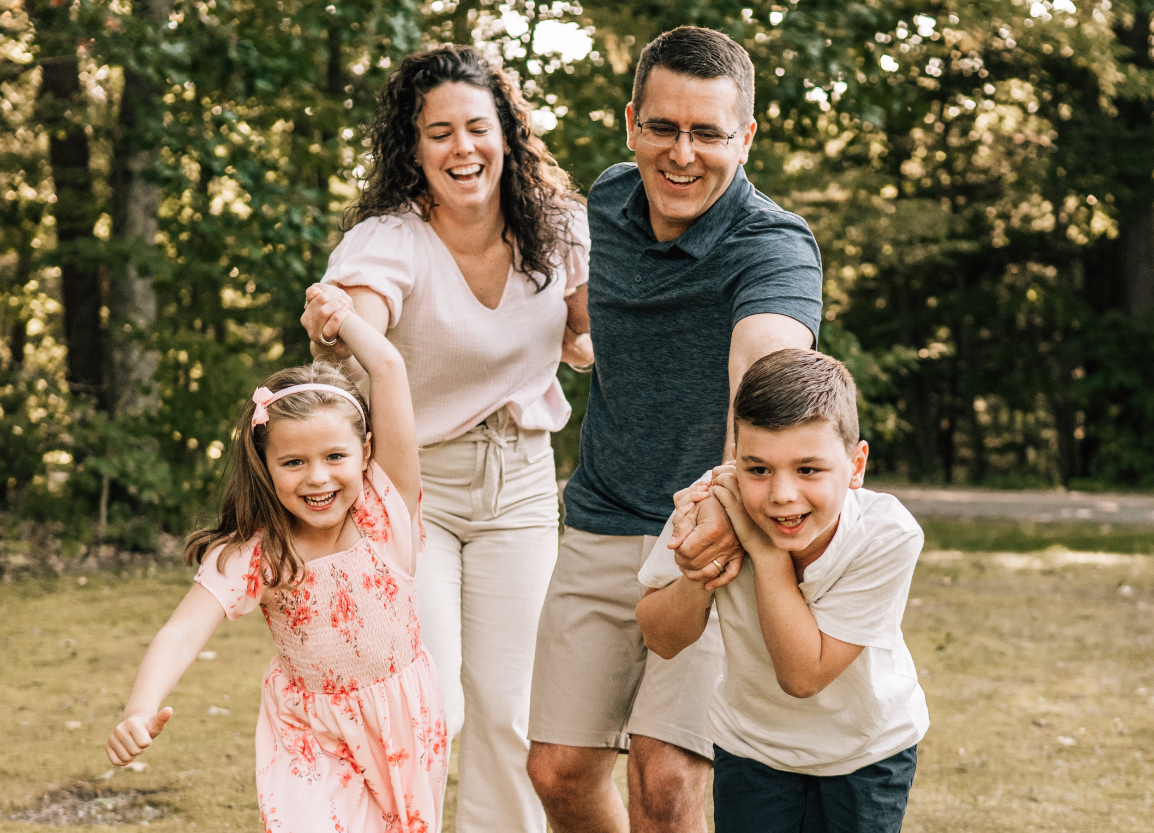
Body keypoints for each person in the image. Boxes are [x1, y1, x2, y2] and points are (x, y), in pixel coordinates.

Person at [526, 26, 822, 833]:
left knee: (666, 777)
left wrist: (726, 502)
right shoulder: (606, 206)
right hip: (601, 515)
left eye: (707, 133)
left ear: (746, 138)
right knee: (558, 771)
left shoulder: (774, 245)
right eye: (662, 127)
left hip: (713, 530)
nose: (682, 154)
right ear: (631, 125)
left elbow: (766, 371)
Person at [301, 45, 590, 833]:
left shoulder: (559, 229)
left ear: (507, 134)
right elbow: (359, 324)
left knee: (512, 709)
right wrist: (336, 324)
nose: (463, 148)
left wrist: (594, 340)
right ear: (414, 146)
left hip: (521, 482)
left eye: (477, 127)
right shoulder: (389, 241)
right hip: (412, 486)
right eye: (439, 133)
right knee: (427, 703)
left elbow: (595, 328)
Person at [105, 288, 448, 831]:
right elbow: (182, 632)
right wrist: (139, 709)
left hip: (403, 721)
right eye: (293, 462)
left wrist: (341, 317)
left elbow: (387, 366)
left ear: (366, 451)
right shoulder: (258, 553)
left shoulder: (386, 510)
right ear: (264, 464)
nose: (317, 477)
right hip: (308, 731)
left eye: (335, 456)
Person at [636, 348, 929, 832]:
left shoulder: (886, 534)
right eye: (758, 469)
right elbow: (660, 638)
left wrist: (764, 550)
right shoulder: (715, 504)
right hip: (752, 749)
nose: (781, 495)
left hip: (865, 753)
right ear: (735, 463)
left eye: (808, 469)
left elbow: (802, 676)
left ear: (856, 465)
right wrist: (699, 569)